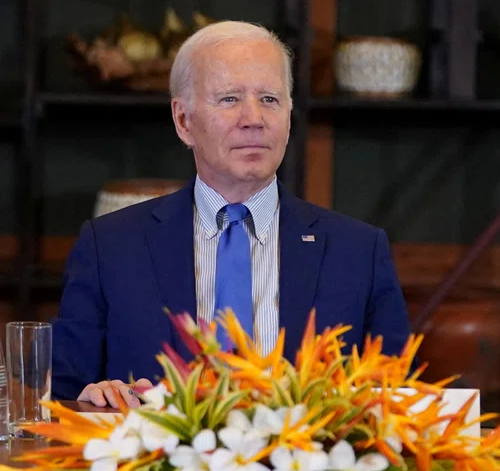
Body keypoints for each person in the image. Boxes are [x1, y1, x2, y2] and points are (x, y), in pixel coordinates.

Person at [52, 21, 411, 408]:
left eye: (270, 99)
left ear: (289, 118)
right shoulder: (111, 246)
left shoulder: (357, 251)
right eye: (229, 99)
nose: (253, 118)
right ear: (183, 120)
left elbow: (395, 397)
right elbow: (64, 391)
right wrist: (90, 396)